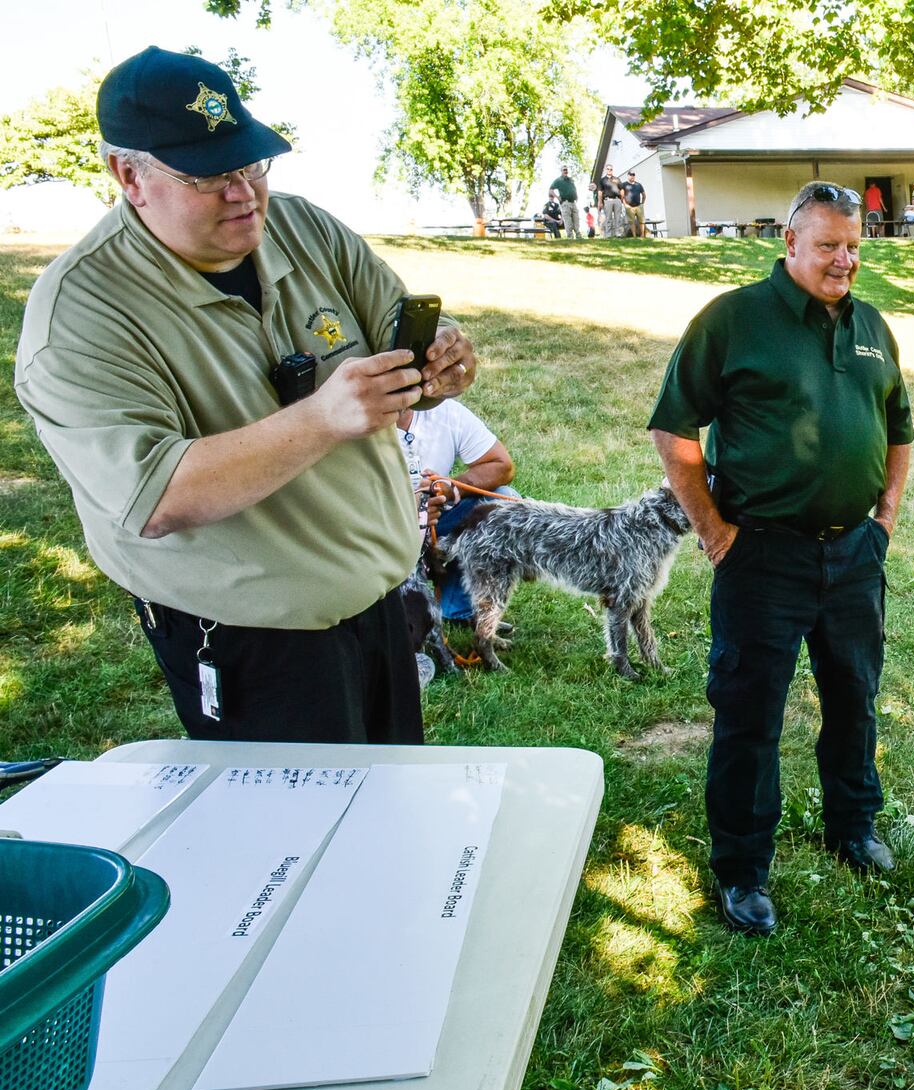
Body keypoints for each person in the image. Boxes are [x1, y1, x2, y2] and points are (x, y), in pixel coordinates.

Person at [14, 46, 477, 743]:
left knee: (390, 825)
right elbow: (156, 497)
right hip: (249, 642)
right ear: (128, 175)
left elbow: (397, 330)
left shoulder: (304, 227)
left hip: (382, 603)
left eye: (250, 163)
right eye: (209, 174)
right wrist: (322, 418)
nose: (244, 192)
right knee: (294, 847)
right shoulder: (79, 315)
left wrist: (441, 363)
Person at [648, 180, 914, 937]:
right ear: (789, 243)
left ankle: (853, 827)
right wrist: (714, 532)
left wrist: (884, 518)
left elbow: (898, 426)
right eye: (829, 245)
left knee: (855, 697)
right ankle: (742, 869)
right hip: (760, 554)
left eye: (855, 247)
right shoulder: (734, 320)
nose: (844, 261)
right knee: (749, 713)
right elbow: (674, 431)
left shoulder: (871, 327)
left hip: (854, 554)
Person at [396, 401, 517, 621]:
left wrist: (450, 488)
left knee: (506, 502)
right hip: (382, 528)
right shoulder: (355, 426)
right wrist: (411, 511)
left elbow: (502, 465)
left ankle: (456, 605)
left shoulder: (446, 412)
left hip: (438, 522)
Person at [550, 165, 580, 241]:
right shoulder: (558, 180)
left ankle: (578, 236)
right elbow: (551, 190)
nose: (565, 171)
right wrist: (557, 197)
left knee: (576, 219)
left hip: (573, 202)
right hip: (565, 203)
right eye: (564, 170)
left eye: (566, 170)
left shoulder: (570, 180)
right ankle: (570, 237)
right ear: (561, 171)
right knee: (568, 221)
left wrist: (576, 196)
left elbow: (574, 188)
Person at [598, 164, 626, 238]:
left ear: (612, 170)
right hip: (608, 200)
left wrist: (621, 199)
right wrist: (600, 202)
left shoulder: (617, 179)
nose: (609, 170)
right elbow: (600, 192)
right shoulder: (602, 180)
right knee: (608, 218)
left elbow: (622, 189)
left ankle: (618, 234)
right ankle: (608, 234)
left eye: (611, 169)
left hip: (617, 200)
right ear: (606, 170)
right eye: (608, 169)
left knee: (618, 218)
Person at [621, 170, 647, 238]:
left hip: (639, 206)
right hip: (629, 207)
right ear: (628, 175)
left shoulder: (638, 185)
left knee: (642, 221)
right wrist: (625, 205)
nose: (632, 176)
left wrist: (642, 203)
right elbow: (622, 196)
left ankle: (642, 235)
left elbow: (644, 195)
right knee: (631, 222)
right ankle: (634, 236)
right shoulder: (624, 184)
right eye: (631, 174)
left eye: (633, 175)